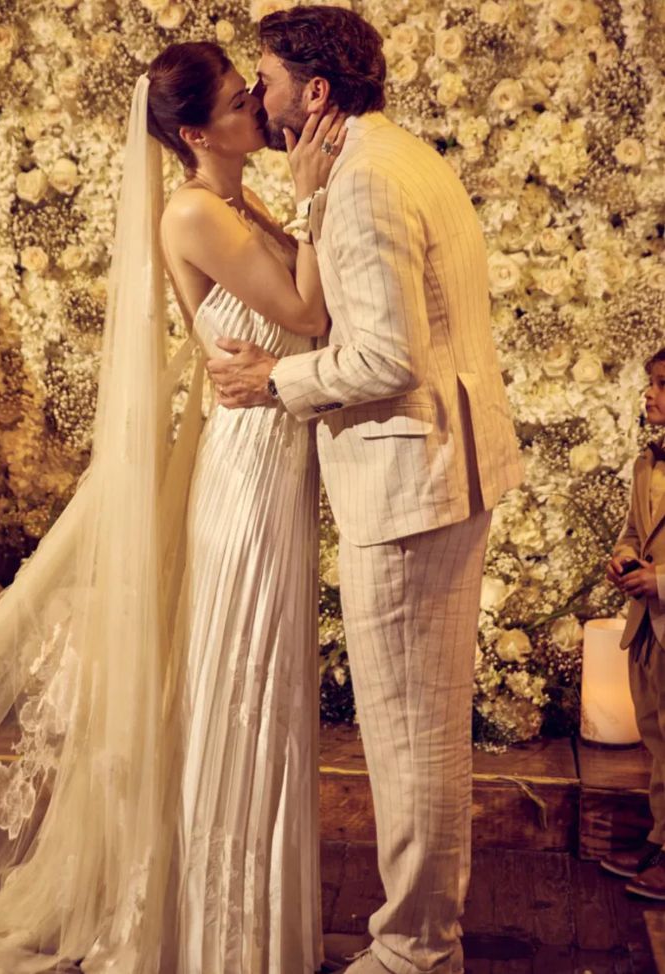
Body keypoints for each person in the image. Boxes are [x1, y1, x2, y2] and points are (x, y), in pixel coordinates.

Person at [0, 41, 344, 974]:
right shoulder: (194, 212)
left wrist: (302, 204)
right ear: (194, 133)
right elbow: (307, 316)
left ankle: (251, 929)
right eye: (238, 100)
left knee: (263, 691)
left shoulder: (238, 204)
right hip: (246, 473)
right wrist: (317, 198)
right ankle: (223, 941)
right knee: (242, 689)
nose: (257, 106)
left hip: (273, 459)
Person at [207, 7, 522, 974]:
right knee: (423, 728)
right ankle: (424, 938)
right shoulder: (400, 156)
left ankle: (416, 949)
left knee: (410, 735)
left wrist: (275, 380)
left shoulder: (367, 180)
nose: (255, 96)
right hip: (440, 470)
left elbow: (387, 355)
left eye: (265, 80)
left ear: (315, 92)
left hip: (410, 484)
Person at [603, 347, 665, 901]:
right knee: (658, 739)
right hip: (649, 627)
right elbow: (633, 530)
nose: (650, 393)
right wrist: (623, 557)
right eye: (651, 382)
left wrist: (661, 580)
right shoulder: (647, 461)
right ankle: (661, 840)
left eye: (663, 384)